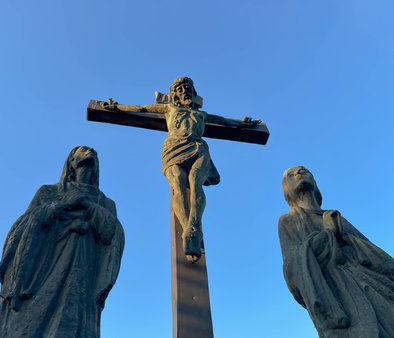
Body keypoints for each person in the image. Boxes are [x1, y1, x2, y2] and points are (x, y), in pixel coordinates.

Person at [104, 77, 259, 262]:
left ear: (194, 95)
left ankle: (193, 225)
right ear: (174, 95)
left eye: (188, 89)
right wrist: (117, 107)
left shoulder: (202, 115)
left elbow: (225, 121)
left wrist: (243, 123)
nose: (185, 91)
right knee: (178, 181)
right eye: (180, 89)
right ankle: (188, 230)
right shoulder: (169, 108)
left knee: (195, 181)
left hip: (198, 148)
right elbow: (142, 108)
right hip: (174, 148)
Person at [0, 146, 125, 338]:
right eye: (81, 150)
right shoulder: (48, 193)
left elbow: (112, 234)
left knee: (73, 322)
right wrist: (61, 206)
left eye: (93, 152)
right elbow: (23, 228)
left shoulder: (105, 203)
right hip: (46, 271)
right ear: (71, 162)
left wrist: (88, 207)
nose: (90, 150)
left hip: (82, 271)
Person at [279, 166, 394, 338]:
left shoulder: (335, 217)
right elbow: (292, 266)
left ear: (315, 182)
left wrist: (344, 237)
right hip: (339, 293)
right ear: (286, 189)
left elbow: (373, 253)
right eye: (291, 174)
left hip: (369, 281)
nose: (298, 173)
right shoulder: (288, 221)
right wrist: (327, 236)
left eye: (304, 170)